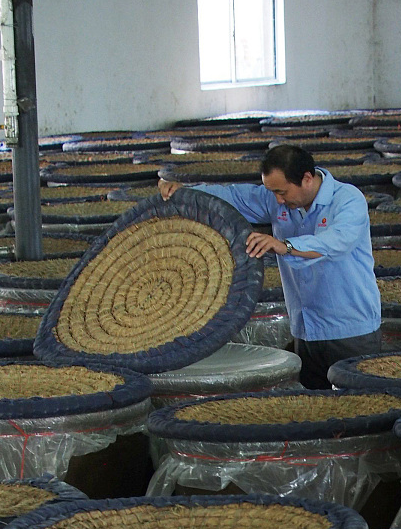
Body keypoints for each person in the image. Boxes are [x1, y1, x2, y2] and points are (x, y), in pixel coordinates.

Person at [159, 144, 381, 388]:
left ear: (307, 179)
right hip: (306, 329)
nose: (278, 200)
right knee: (316, 411)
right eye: (273, 192)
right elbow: (232, 196)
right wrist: (184, 192)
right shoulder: (277, 200)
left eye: (282, 192)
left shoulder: (348, 199)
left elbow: (336, 242)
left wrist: (284, 245)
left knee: (359, 406)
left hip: (351, 330)